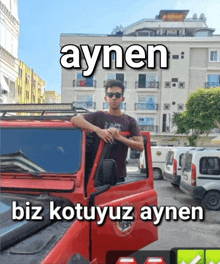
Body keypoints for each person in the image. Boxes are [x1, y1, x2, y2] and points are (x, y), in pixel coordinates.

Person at [71, 79, 144, 183]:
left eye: (117, 95)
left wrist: (119, 137)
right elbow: (75, 119)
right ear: (106, 98)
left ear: (123, 98)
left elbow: (140, 146)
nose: (114, 98)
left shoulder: (130, 121)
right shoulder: (99, 116)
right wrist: (98, 130)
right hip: (95, 175)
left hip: (118, 175)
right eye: (110, 95)